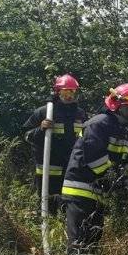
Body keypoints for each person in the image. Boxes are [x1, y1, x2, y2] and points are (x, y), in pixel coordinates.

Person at [61, 83, 128, 255]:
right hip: (80, 190)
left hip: (97, 193)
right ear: (117, 105)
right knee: (80, 239)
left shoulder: (124, 132)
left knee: (93, 238)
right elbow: (96, 162)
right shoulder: (97, 124)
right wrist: (124, 181)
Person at [23, 74, 87, 215]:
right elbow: (27, 136)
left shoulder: (80, 114)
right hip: (48, 171)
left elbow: (83, 138)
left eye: (72, 91)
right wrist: (41, 129)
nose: (69, 95)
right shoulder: (45, 112)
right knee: (46, 209)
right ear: (57, 92)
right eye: (65, 91)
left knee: (68, 208)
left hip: (70, 170)